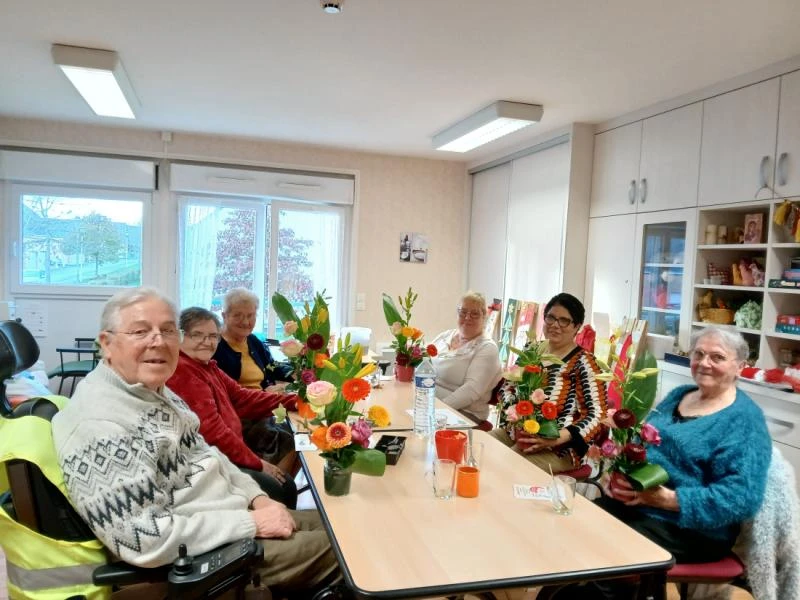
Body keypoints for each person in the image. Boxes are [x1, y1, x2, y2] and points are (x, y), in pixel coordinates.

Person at [52, 288, 339, 595]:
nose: (158, 341)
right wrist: (251, 523)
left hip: (229, 518)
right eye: (140, 331)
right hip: (214, 555)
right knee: (355, 553)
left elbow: (208, 453)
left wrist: (258, 498)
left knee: (346, 528)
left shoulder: (154, 392)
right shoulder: (100, 425)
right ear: (107, 343)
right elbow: (143, 539)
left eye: (166, 330)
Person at [566, 327, 772, 599]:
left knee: (606, 556)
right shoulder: (680, 395)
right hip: (640, 507)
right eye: (698, 353)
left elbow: (741, 498)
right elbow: (645, 443)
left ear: (740, 367)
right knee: (572, 529)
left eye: (717, 357)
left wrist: (667, 499)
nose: (704, 363)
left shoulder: (744, 421)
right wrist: (618, 473)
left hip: (691, 529)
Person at [167, 307, 298, 508]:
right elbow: (212, 432)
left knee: (287, 464)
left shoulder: (207, 366)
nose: (207, 342)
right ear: (180, 336)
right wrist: (256, 462)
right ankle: (269, 527)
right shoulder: (183, 371)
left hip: (229, 455)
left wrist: (293, 400)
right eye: (197, 335)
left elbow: (243, 398)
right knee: (283, 487)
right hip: (212, 465)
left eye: (212, 336)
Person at [491, 293, 607, 472]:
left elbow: (597, 415)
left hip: (558, 448)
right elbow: (509, 385)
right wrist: (515, 413)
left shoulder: (585, 363)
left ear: (576, 326)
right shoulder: (532, 350)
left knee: (506, 466)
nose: (555, 325)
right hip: (517, 433)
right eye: (551, 318)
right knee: (479, 446)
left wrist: (556, 437)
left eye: (564, 321)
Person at [428, 292, 502, 425]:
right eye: (463, 312)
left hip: (463, 413)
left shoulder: (487, 348)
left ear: (484, 317)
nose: (467, 317)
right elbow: (424, 362)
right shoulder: (446, 336)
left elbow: (471, 391)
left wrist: (437, 409)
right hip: (429, 403)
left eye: (474, 314)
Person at [213, 288, 293, 390]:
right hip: (244, 404)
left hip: (265, 399)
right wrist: (265, 394)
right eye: (238, 316)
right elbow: (225, 392)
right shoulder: (215, 346)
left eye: (250, 315)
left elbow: (272, 366)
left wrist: (297, 373)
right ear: (224, 316)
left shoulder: (252, 340)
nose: (246, 322)